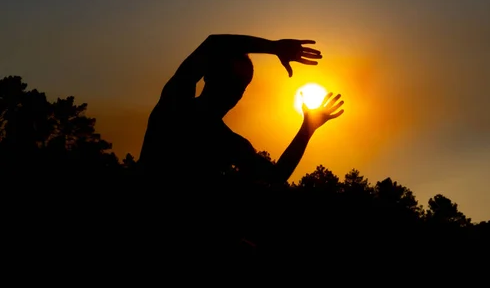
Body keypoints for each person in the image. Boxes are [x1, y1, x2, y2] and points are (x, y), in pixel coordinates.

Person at [138, 34, 344, 186]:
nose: (235, 92)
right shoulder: (176, 106)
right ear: (209, 76)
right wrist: (273, 47)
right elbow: (212, 45)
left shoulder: (229, 143)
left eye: (242, 86)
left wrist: (307, 128)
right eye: (230, 80)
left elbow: (275, 176)